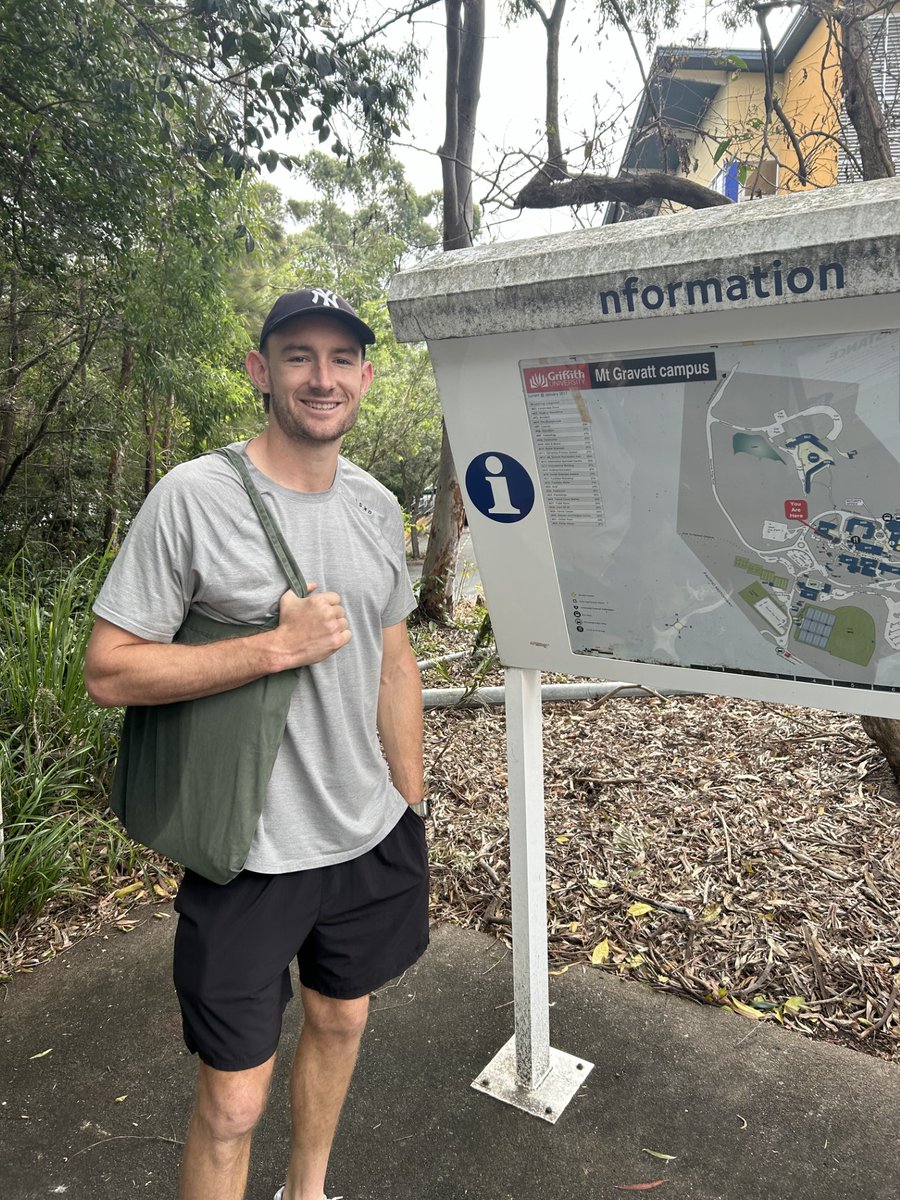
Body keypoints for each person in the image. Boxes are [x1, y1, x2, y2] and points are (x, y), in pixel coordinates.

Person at [84, 287, 428, 1200]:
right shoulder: (194, 498)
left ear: (364, 374)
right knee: (233, 1103)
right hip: (249, 853)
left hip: (366, 831)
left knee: (341, 1019)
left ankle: (306, 1190)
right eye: (300, 356)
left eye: (342, 358)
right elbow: (109, 670)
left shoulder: (378, 507)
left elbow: (396, 661)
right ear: (260, 370)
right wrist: (274, 648)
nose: (324, 378)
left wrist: (410, 799)